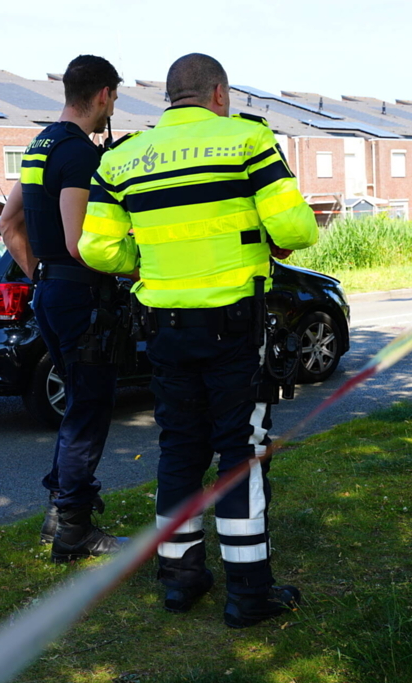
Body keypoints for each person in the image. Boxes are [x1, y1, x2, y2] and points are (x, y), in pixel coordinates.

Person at [78, 53, 319, 627]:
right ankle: (248, 592)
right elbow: (295, 229)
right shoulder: (246, 141)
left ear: (170, 97)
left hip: (165, 330)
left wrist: (150, 262)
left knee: (180, 448)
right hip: (233, 329)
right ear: (217, 93)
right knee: (240, 454)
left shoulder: (122, 159)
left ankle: (181, 581)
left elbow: (97, 249)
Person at [0, 55, 127, 563]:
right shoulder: (77, 155)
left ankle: (60, 513)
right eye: (114, 98)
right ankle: (74, 531)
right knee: (89, 410)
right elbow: (79, 243)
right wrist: (131, 267)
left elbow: (9, 224)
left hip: (49, 294)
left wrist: (41, 276)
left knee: (77, 405)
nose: (112, 107)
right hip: (79, 297)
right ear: (103, 95)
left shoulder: (40, 145)